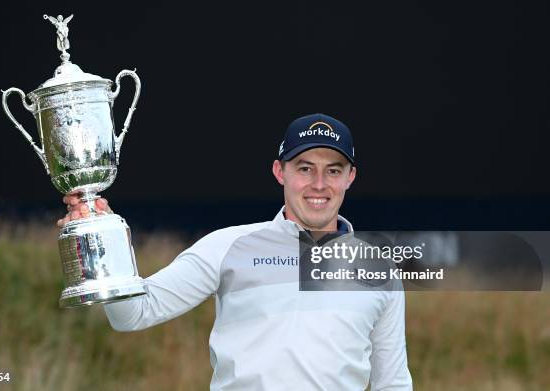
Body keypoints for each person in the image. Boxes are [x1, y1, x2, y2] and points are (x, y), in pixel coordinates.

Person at [58, 113, 413, 390]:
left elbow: (393, 383)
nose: (319, 184)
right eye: (305, 169)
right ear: (280, 172)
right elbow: (133, 315)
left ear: (350, 177)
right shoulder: (227, 246)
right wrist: (100, 236)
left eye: (332, 170)